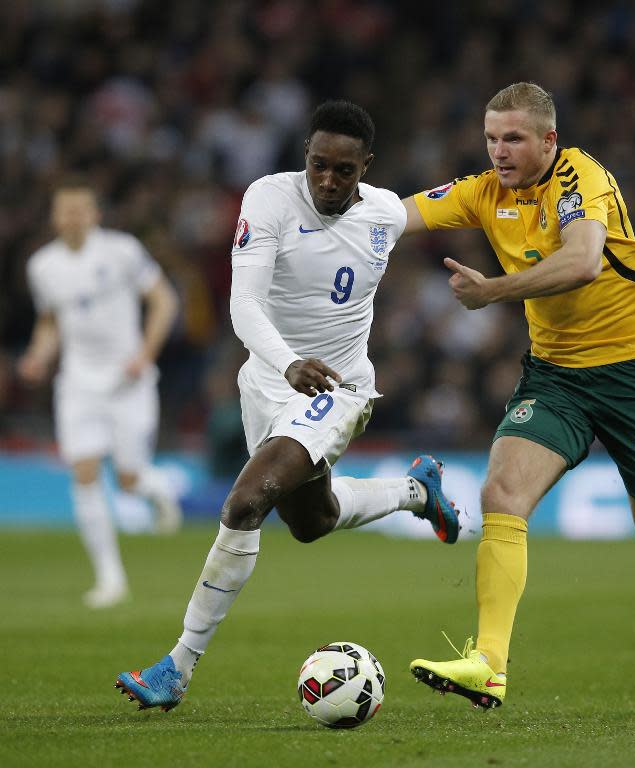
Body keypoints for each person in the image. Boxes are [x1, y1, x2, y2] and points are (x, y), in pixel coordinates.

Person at [404, 82, 635, 710]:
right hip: (556, 375)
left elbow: (583, 261)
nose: (499, 152)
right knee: (502, 492)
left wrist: (493, 292)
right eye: (491, 139)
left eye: (513, 139)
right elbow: (399, 214)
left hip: (631, 376)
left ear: (548, 139)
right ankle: (489, 663)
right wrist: (326, 217)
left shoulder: (580, 178)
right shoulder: (483, 191)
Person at [114, 100, 460, 711]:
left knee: (246, 502)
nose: (327, 180)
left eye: (344, 170)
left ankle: (176, 668)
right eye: (318, 165)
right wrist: (287, 363)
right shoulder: (269, 198)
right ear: (306, 155)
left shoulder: (384, 212)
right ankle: (416, 491)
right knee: (311, 521)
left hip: (339, 389)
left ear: (366, 168)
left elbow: (463, 198)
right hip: (271, 381)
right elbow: (243, 303)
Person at [17, 182, 182, 609]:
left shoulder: (122, 251)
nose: (72, 217)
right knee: (84, 471)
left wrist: (144, 355)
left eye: (79, 209)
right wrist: (38, 356)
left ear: (94, 214)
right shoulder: (43, 266)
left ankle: (155, 487)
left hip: (128, 381)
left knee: (128, 480)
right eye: (64, 210)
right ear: (54, 216)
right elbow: (50, 322)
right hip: (77, 383)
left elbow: (164, 301)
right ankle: (110, 578)